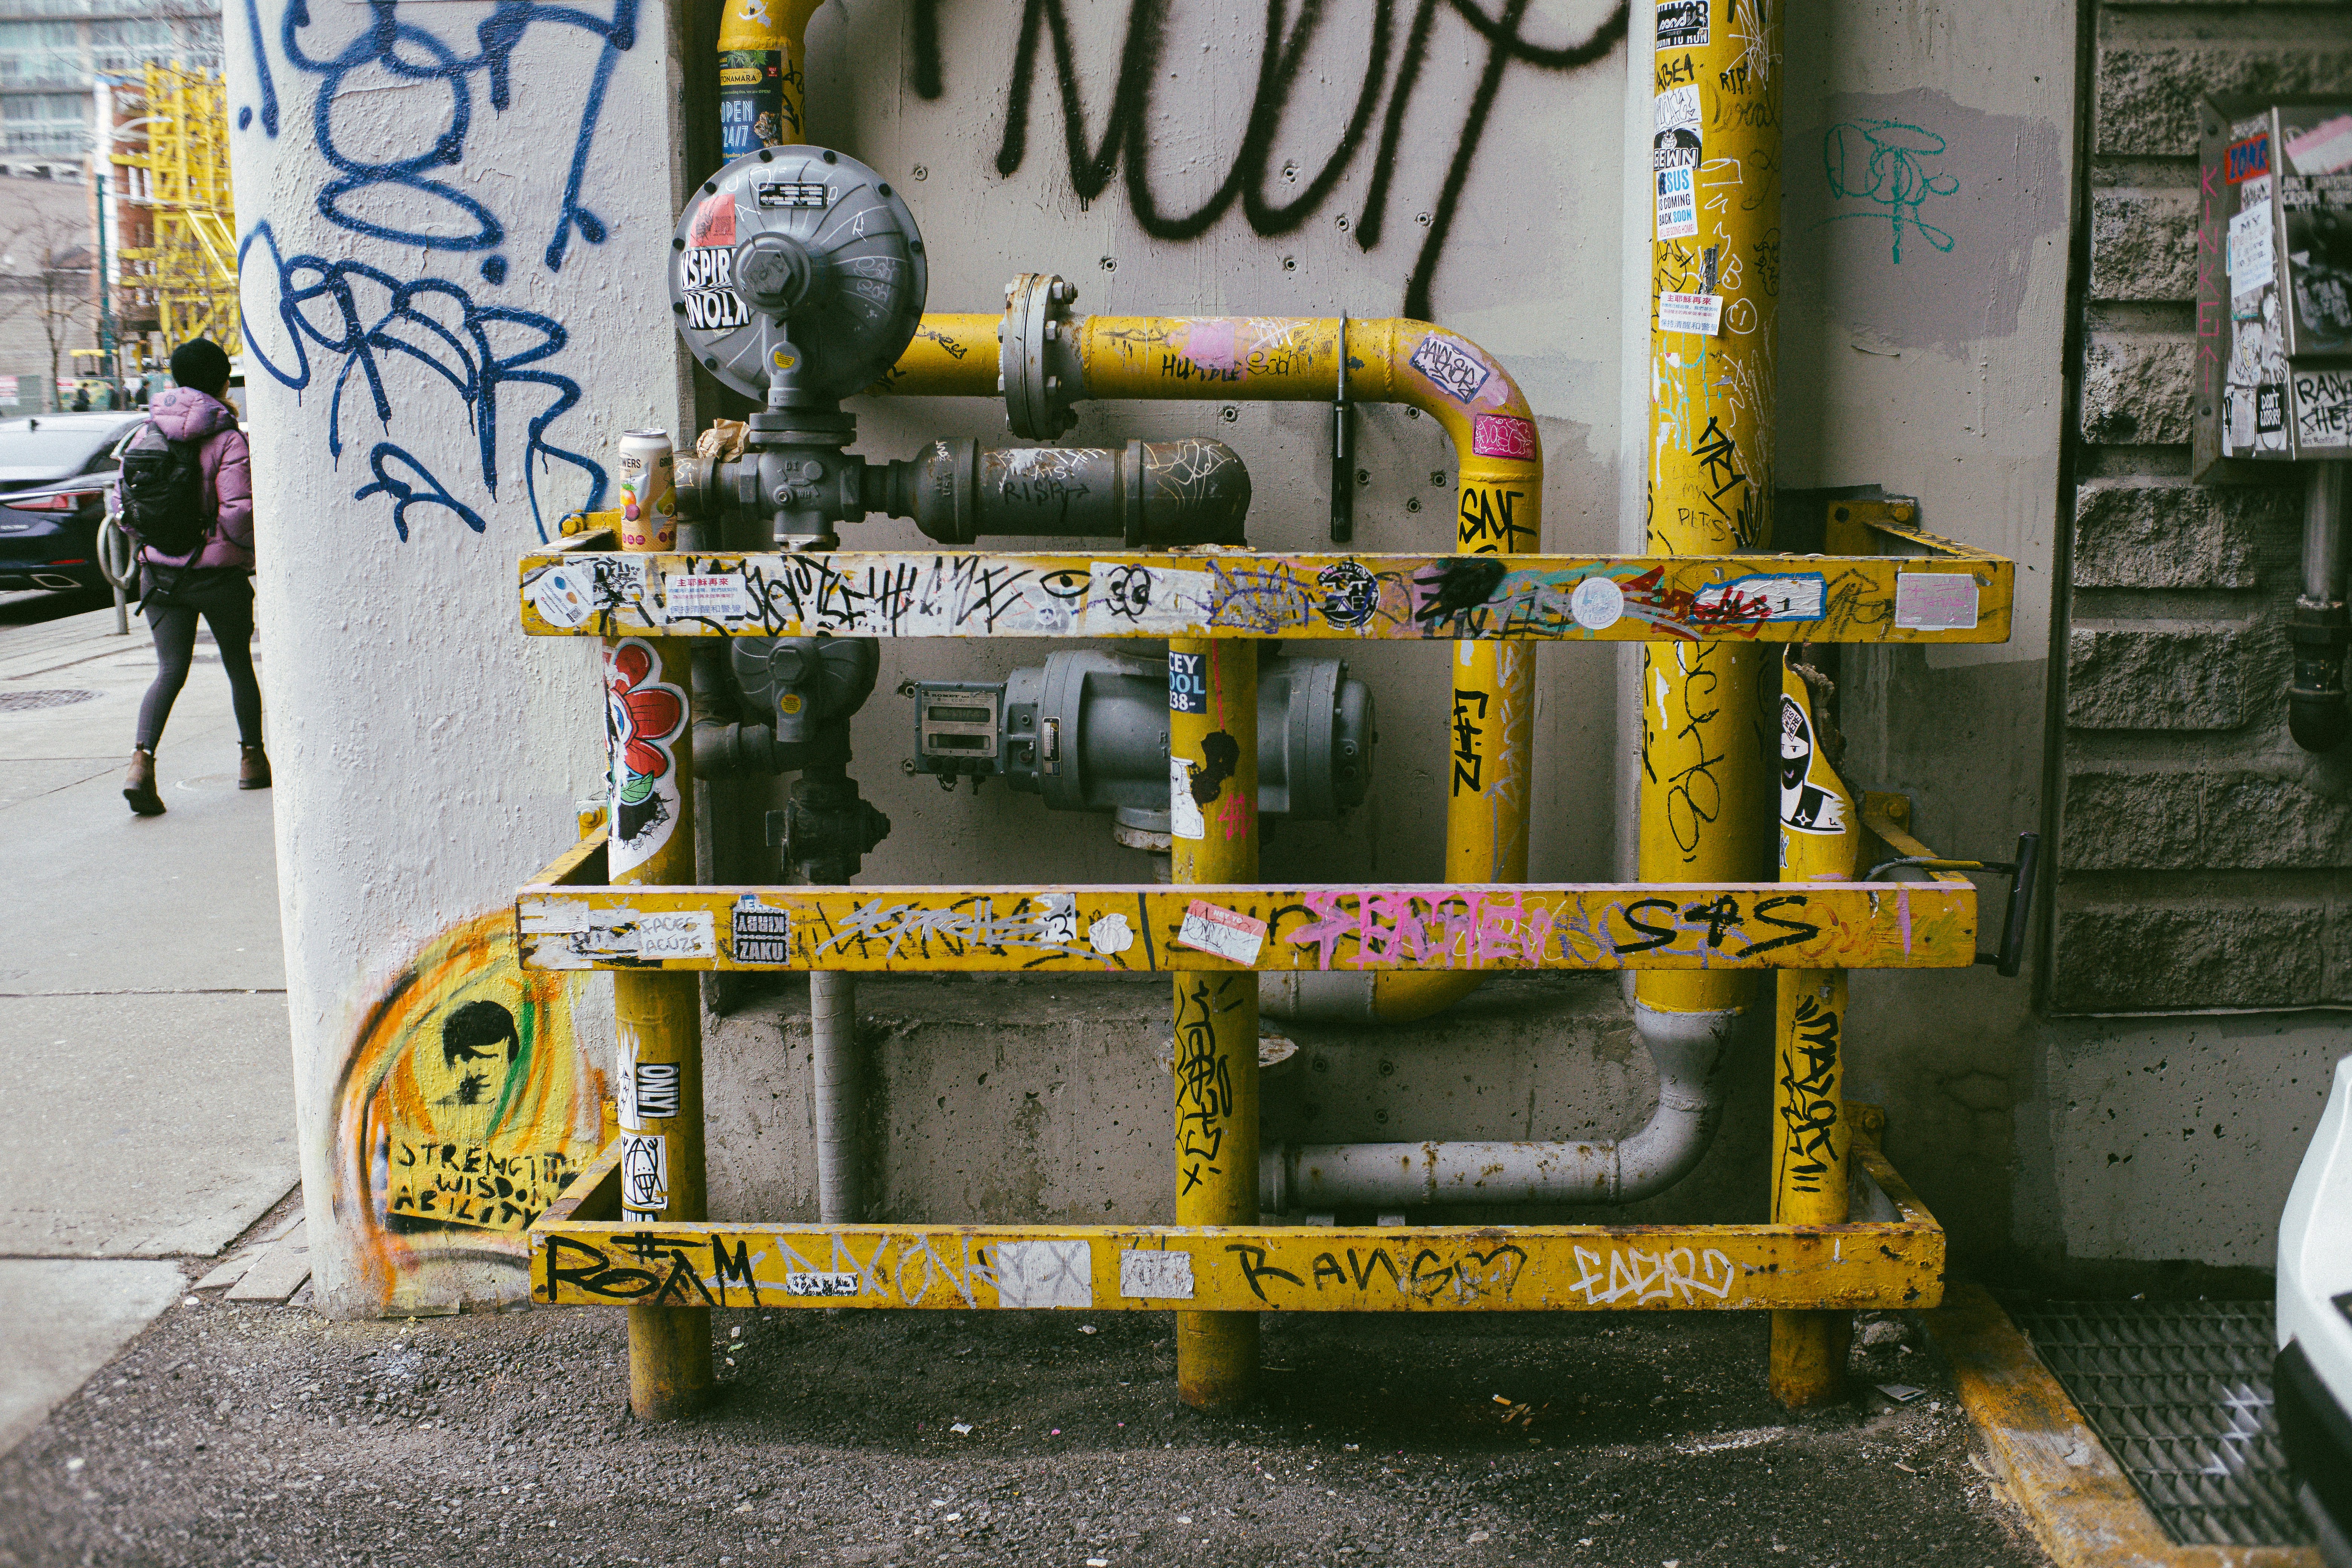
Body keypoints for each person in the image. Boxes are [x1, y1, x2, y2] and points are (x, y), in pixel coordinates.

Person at [120, 339, 265, 816]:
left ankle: (141, 762)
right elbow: (239, 512)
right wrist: (244, 553)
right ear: (223, 380)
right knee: (238, 664)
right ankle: (251, 760)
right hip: (218, 575)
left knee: (169, 671)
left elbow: (126, 508)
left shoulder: (145, 433)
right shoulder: (226, 437)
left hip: (159, 577)